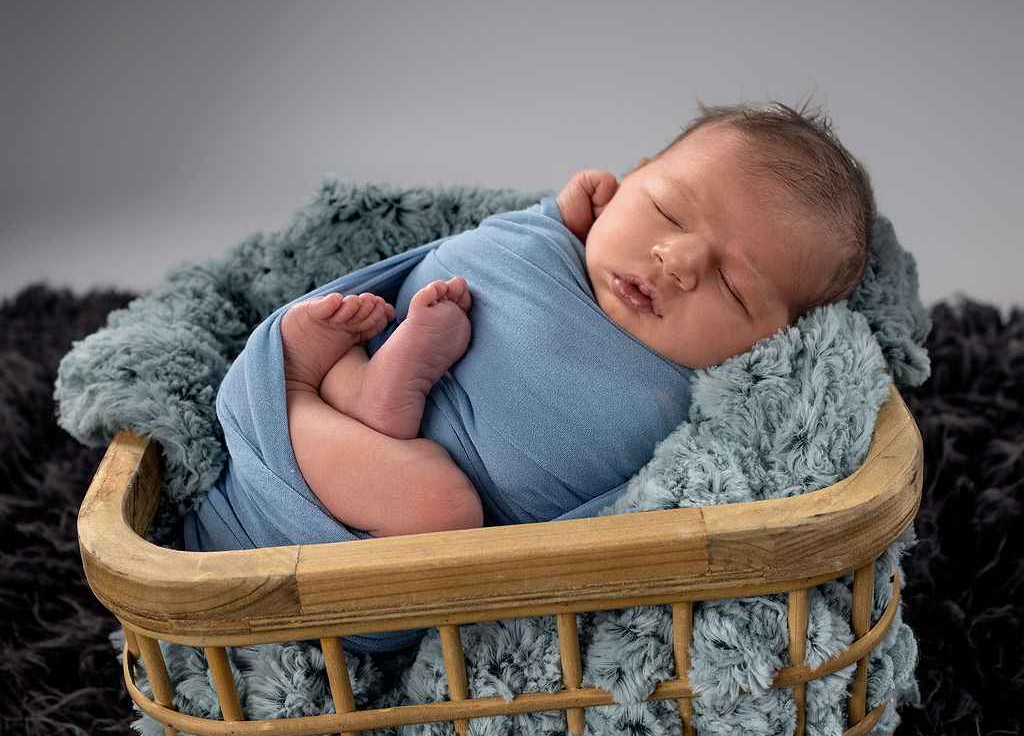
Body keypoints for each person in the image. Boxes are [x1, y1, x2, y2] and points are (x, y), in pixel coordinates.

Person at [185, 101, 875, 555]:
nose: (678, 261)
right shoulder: (563, 237)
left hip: (343, 540)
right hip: (301, 440)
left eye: (734, 286)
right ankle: (330, 385)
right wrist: (574, 218)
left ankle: (346, 394)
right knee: (419, 473)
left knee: (443, 510)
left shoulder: (707, 409)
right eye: (666, 209)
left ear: (775, 345)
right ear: (626, 181)